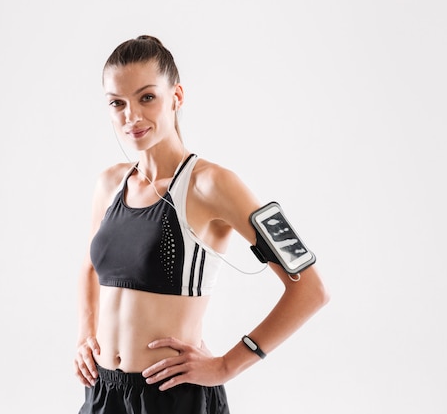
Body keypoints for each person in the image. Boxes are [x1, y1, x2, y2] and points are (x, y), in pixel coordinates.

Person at [74, 35, 329, 414]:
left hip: (173, 397)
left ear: (176, 96)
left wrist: (227, 365)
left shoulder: (213, 184)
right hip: (104, 393)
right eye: (117, 103)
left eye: (147, 97)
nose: (131, 116)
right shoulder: (110, 184)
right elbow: (91, 266)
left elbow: (310, 290)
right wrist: (85, 335)